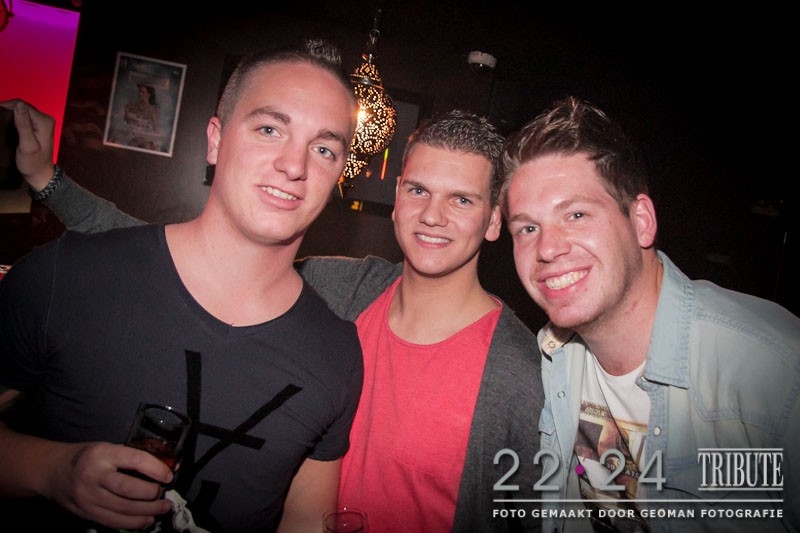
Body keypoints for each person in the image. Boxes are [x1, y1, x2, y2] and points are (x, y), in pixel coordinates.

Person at [10, 108, 545, 531]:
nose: (432, 215)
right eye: (419, 190)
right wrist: (45, 179)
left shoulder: (517, 374)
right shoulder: (338, 290)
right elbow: (169, 257)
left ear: (493, 220)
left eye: (462, 200)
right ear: (398, 193)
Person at [0, 38, 364, 533]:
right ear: (215, 140)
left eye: (323, 149)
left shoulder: (336, 353)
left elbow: (306, 519)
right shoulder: (67, 275)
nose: (295, 165)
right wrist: (52, 471)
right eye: (270, 129)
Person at [499, 96, 800, 532]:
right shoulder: (550, 358)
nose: (547, 248)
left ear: (641, 220)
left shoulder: (772, 366)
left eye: (576, 214)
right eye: (528, 228)